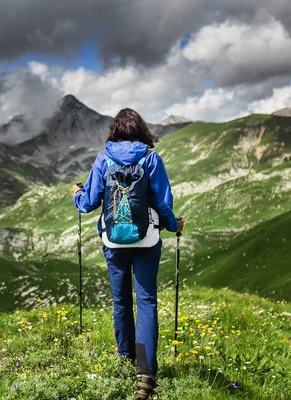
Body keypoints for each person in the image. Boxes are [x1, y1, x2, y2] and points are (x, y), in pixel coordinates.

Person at [71, 108, 184, 400]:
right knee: (146, 301)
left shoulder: (103, 159)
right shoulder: (151, 159)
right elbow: (163, 203)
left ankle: (125, 358)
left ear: (115, 131)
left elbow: (88, 203)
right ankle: (145, 373)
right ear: (141, 130)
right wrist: (174, 225)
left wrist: (76, 193)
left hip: (114, 241)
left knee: (121, 301)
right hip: (147, 241)